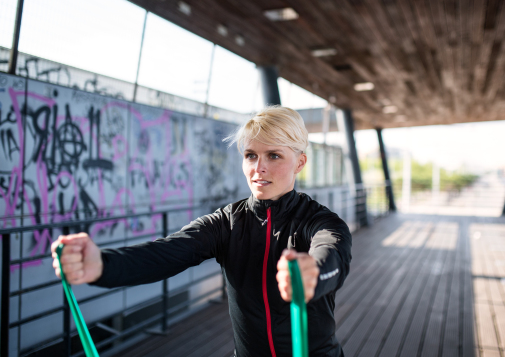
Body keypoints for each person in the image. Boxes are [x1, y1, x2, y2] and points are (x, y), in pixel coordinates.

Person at [51, 106, 352, 357]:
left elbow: (332, 255)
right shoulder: (227, 222)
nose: (258, 168)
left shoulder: (322, 222)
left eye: (274, 155)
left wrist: (314, 272)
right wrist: (102, 265)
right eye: (250, 155)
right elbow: (166, 253)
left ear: (299, 162)